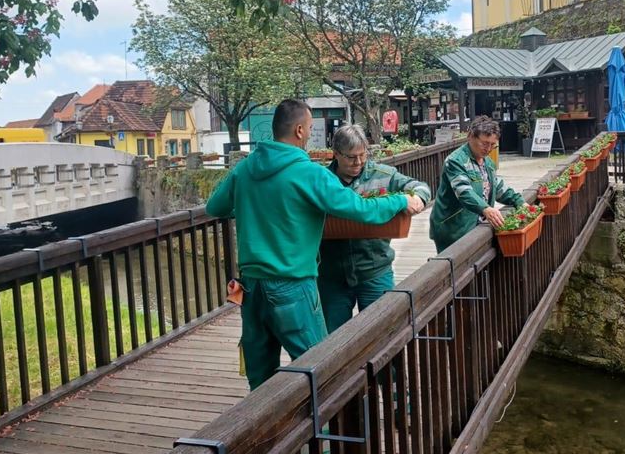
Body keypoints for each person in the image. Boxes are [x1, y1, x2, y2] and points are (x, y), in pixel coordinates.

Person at [206, 100, 425, 390]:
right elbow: (360, 210)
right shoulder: (309, 173)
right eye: (309, 128)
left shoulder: (244, 170)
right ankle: (326, 433)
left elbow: (215, 206)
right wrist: (400, 199)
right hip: (292, 286)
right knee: (320, 372)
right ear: (299, 130)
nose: (310, 134)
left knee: (260, 375)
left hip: (251, 288)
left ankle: (271, 433)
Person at [318, 124, 430, 333]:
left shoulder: (384, 175)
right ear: (335, 154)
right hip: (331, 275)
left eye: (363, 155)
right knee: (331, 339)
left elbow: (420, 186)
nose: (358, 162)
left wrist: (419, 199)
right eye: (351, 157)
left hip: (375, 270)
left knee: (384, 334)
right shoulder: (322, 180)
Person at [429, 116, 525, 253]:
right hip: (453, 228)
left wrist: (518, 200)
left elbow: (497, 187)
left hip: (475, 225)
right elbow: (463, 192)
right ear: (470, 137)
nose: (488, 149)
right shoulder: (455, 161)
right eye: (485, 143)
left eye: (493, 145)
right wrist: (486, 209)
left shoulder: (487, 163)